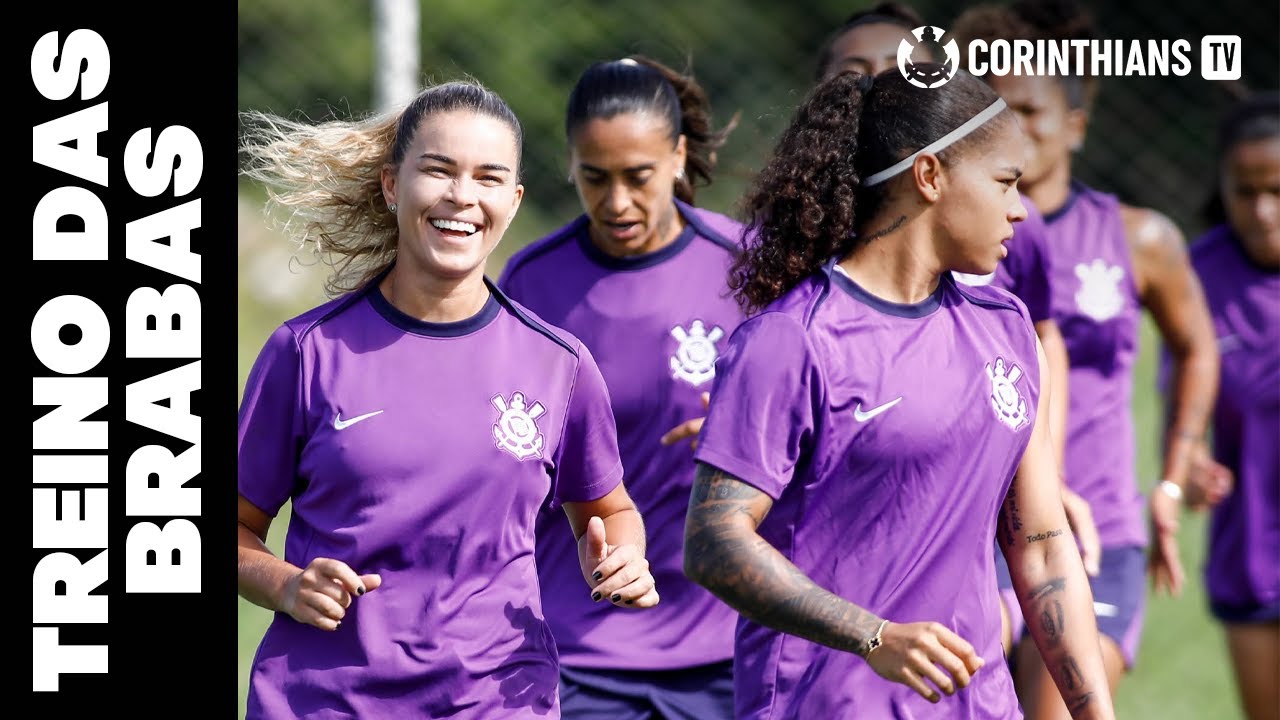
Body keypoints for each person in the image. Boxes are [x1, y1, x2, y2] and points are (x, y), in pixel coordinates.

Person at [683, 66, 1116, 719]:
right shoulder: (794, 340)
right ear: (931, 176)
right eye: (1003, 182)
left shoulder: (1005, 329)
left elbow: (1042, 545)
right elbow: (714, 540)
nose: (1019, 209)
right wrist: (872, 636)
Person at [236, 79, 658, 719]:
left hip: (494, 699)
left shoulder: (559, 366)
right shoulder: (306, 351)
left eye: (489, 178)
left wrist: (623, 555)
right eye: (438, 171)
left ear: (513, 201)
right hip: (323, 703)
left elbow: (608, 509)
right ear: (391, 184)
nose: (463, 196)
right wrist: (289, 586)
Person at [952, 2, 1223, 717]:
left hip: (1094, 528)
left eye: (1030, 110)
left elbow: (1196, 347)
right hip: (971, 529)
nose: (1011, 127)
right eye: (994, 108)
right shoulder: (950, 242)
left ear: (1074, 123)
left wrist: (1175, 471)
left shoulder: (1140, 238)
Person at [815, 3, 1100, 659]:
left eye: (898, 73)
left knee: (992, 626)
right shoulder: (804, 306)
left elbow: (1040, 345)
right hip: (836, 653)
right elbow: (725, 536)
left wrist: (1044, 475)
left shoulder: (1004, 293)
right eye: (858, 75)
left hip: (977, 549)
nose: (878, 91)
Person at [498, 55, 745, 720]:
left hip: (728, 641)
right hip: (580, 646)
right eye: (594, 178)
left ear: (678, 156)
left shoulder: (748, 269)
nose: (617, 203)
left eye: (638, 177)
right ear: (570, 166)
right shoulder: (531, 285)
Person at [1179, 91, 1278, 720]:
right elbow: (1186, 409)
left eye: (1279, 189)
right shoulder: (1200, 273)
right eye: (1246, 191)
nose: (1264, 211)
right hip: (1254, 553)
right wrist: (1186, 464)